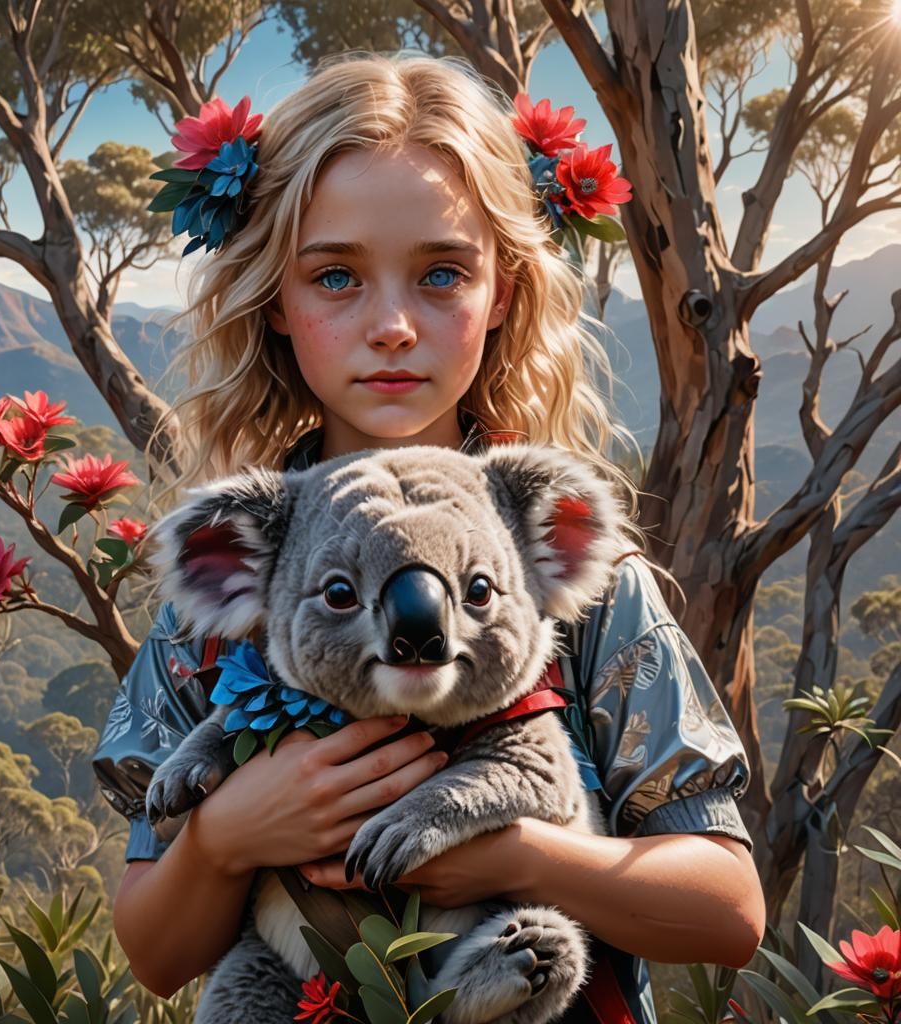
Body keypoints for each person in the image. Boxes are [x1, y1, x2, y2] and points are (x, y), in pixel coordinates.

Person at [92, 50, 765, 1022]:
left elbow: (729, 911)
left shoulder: (584, 583)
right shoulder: (224, 597)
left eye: (441, 271)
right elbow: (157, 954)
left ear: (502, 292)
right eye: (336, 276)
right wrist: (221, 839)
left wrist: (517, 853)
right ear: (273, 296)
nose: (394, 325)